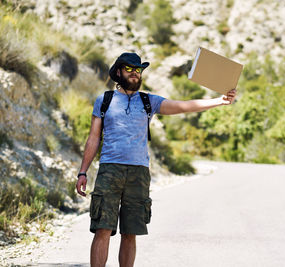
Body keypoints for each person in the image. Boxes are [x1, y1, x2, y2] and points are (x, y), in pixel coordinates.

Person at [75, 52, 236, 267]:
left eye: (138, 70)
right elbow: (93, 138)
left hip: (139, 173)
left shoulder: (148, 101)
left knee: (130, 232)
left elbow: (183, 106)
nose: (135, 73)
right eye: (130, 69)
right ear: (119, 72)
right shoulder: (104, 100)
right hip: (109, 170)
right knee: (102, 228)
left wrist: (219, 101)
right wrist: (83, 171)